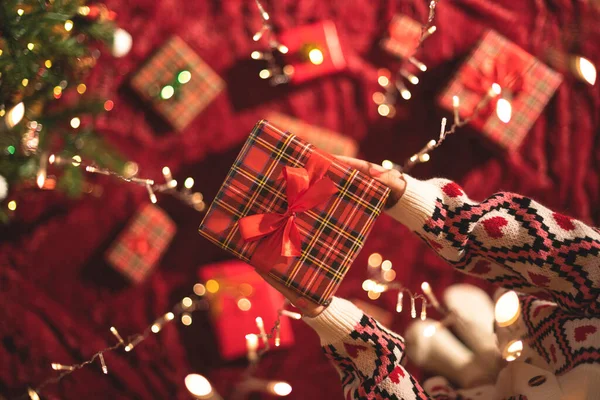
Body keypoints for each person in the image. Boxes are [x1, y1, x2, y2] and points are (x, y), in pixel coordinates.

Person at [258, 156, 600, 400]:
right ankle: (493, 347)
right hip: (547, 335)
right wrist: (427, 208)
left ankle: (470, 370)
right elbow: (577, 261)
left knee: (481, 383)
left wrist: (338, 325)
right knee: (510, 336)